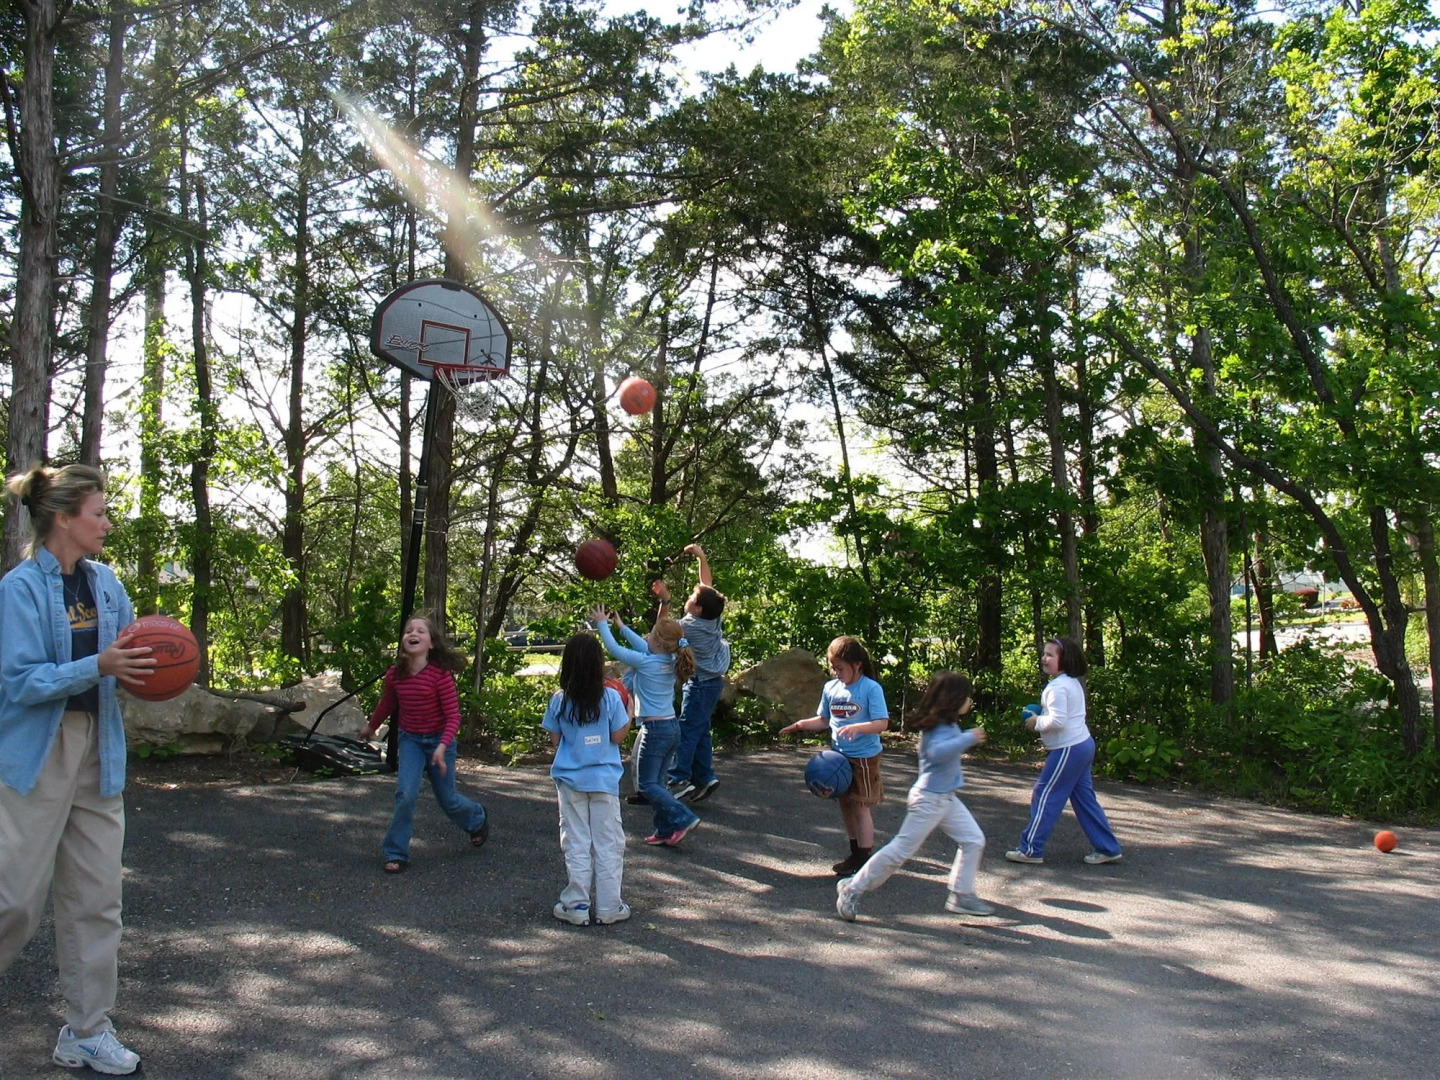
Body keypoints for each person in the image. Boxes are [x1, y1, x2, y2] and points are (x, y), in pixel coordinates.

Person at [0, 463, 157, 1076]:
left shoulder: (106, 583)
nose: (107, 524)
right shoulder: (19, 590)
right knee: (13, 900)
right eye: (99, 513)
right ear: (64, 518)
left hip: (100, 748)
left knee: (96, 900)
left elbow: (128, 658)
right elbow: (19, 682)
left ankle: (87, 1031)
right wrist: (97, 665)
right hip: (38, 751)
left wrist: (156, 666)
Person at [836, 672, 994, 921]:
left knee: (973, 840)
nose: (969, 701)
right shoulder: (937, 728)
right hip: (929, 800)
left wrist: (963, 737)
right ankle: (852, 888)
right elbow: (936, 753)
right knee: (900, 851)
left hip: (945, 798)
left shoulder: (949, 725)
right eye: (966, 696)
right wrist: (967, 738)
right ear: (953, 699)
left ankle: (962, 895)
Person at [361, 614, 488, 873]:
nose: (413, 634)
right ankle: (396, 852)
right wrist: (371, 726)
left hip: (440, 741)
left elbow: (453, 717)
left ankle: (477, 818)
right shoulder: (395, 675)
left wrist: (441, 747)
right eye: (409, 630)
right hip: (411, 741)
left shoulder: (440, 675)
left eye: (420, 631)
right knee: (405, 794)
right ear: (403, 640)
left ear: (431, 643)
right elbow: (388, 703)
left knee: (448, 800)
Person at [1005, 636, 1123, 866]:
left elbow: (1058, 721)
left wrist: (1036, 721)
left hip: (1069, 749)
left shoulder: (1057, 688)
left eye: (1050, 655)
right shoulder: (1071, 682)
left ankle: (1030, 849)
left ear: (1065, 660)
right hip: (1082, 745)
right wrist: (1041, 716)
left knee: (1045, 794)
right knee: (1084, 799)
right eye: (1044, 653)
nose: (1044, 658)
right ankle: (1107, 848)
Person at [590, 604, 700, 847]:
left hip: (656, 731)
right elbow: (643, 645)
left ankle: (683, 817)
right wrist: (621, 626)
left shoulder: (646, 663)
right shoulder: (671, 658)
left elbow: (614, 649)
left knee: (647, 785)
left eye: (651, 635)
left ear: (658, 643)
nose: (646, 637)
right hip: (672, 728)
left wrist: (602, 623)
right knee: (657, 783)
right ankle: (665, 829)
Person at [542, 633, 633, 926]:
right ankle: (609, 906)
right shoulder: (610, 698)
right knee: (608, 843)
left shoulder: (559, 700)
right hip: (604, 780)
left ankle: (577, 905)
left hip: (570, 780)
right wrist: (630, 712)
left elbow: (556, 740)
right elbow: (617, 736)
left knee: (577, 842)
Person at [780, 636, 889, 876]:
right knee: (845, 805)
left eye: (840, 668)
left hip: (864, 758)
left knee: (860, 806)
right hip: (839, 758)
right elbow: (824, 720)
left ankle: (864, 857)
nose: (835, 672)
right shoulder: (831, 688)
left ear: (857, 665)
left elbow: (882, 723)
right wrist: (800, 725)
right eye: (832, 667)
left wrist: (858, 728)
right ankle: (854, 851)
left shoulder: (870, 688)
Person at [654, 543, 731, 803]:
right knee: (701, 729)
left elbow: (661, 628)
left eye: (692, 597)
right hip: (713, 683)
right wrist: (701, 557)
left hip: (699, 685)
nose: (689, 596)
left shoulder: (688, 627)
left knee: (687, 730)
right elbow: (707, 585)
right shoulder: (713, 617)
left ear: (697, 608)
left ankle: (679, 779)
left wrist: (665, 600)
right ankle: (705, 776)